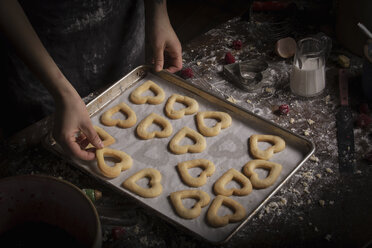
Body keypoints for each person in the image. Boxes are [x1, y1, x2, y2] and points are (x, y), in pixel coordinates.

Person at [0, 0, 182, 160]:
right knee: (42, 151)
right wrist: (62, 93)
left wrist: (159, 13)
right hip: (38, 53)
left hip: (122, 32)